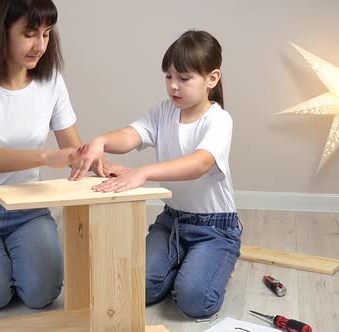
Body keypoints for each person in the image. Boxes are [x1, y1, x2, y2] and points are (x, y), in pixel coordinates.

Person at [0, 0, 119, 310]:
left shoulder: (50, 82)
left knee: (42, 295)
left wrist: (105, 166)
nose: (40, 45)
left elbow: (75, 153)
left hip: (28, 209)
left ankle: (9, 253)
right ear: (1, 33)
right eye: (29, 33)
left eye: (47, 34)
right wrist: (42, 158)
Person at [69, 30, 241, 318]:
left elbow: (199, 163)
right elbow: (130, 135)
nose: (173, 86)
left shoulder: (219, 120)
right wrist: (101, 141)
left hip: (214, 229)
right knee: (137, 289)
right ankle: (185, 262)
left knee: (194, 302)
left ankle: (208, 260)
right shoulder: (162, 112)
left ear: (212, 79)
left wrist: (144, 172)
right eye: (168, 77)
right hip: (171, 222)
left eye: (184, 79)